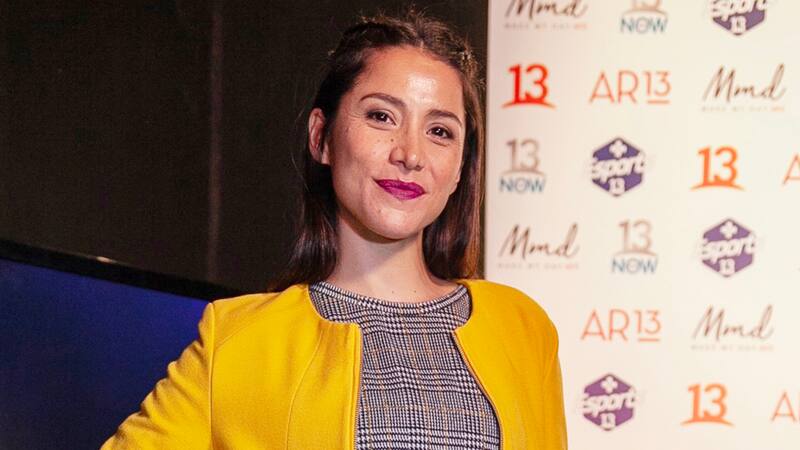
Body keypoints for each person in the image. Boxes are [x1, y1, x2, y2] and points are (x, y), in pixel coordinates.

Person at [102, 10, 567, 450]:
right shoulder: (238, 340)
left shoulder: (523, 328)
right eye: (381, 116)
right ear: (321, 137)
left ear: (461, 168)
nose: (410, 154)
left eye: (440, 131)